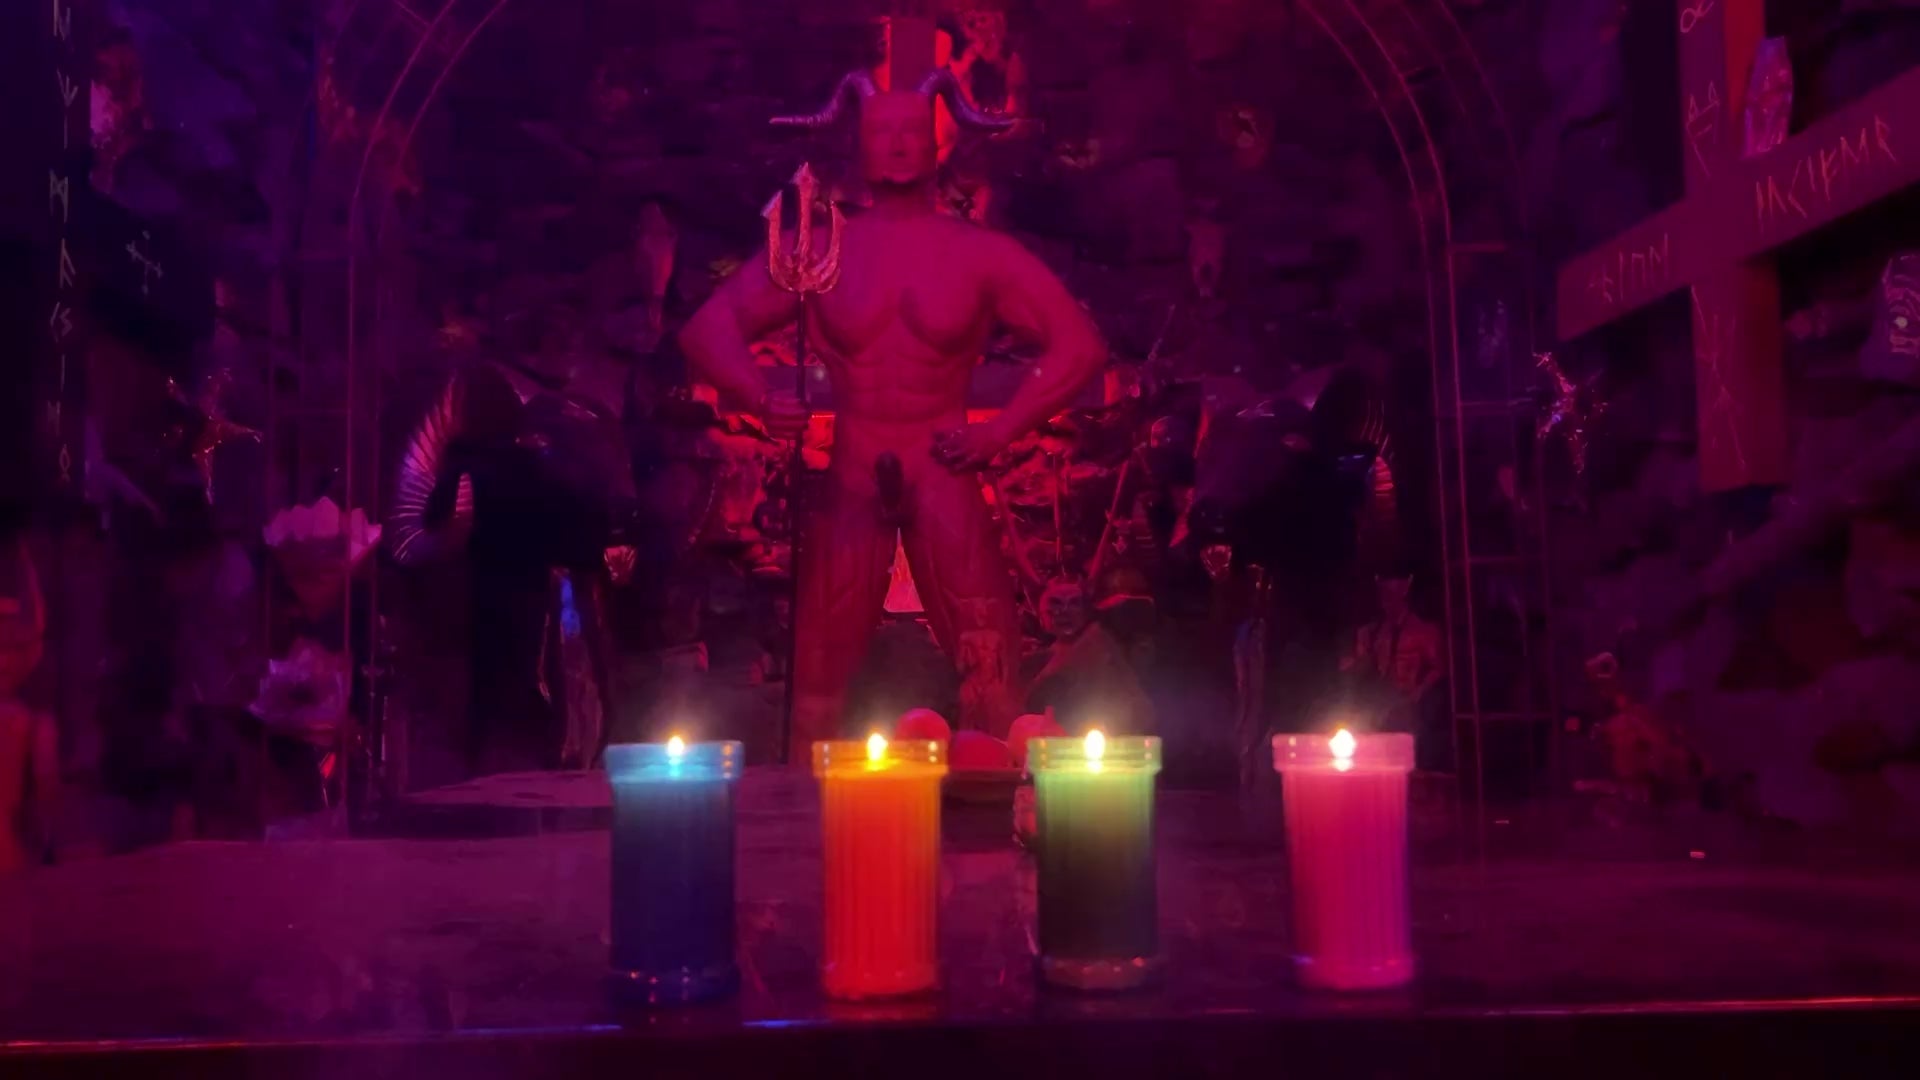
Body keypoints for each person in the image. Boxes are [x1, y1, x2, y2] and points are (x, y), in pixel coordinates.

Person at [680, 70, 1106, 760]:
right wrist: (760, 397)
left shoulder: (978, 254)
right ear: (861, 144)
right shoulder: (821, 249)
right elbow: (708, 329)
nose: (900, 144)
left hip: (941, 462)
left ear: (936, 145)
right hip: (854, 466)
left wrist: (999, 431)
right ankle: (804, 806)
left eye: (913, 130)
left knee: (989, 659)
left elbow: (1080, 347)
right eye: (883, 131)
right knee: (816, 671)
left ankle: (999, 799)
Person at [1341, 568, 1444, 751]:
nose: (1387, 601)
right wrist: (1353, 663)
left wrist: (1419, 692)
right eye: (1385, 596)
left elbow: (1439, 667)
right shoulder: (1375, 632)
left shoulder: (1422, 631)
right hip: (1382, 701)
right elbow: (1366, 662)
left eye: (1391, 595)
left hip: (1409, 701)